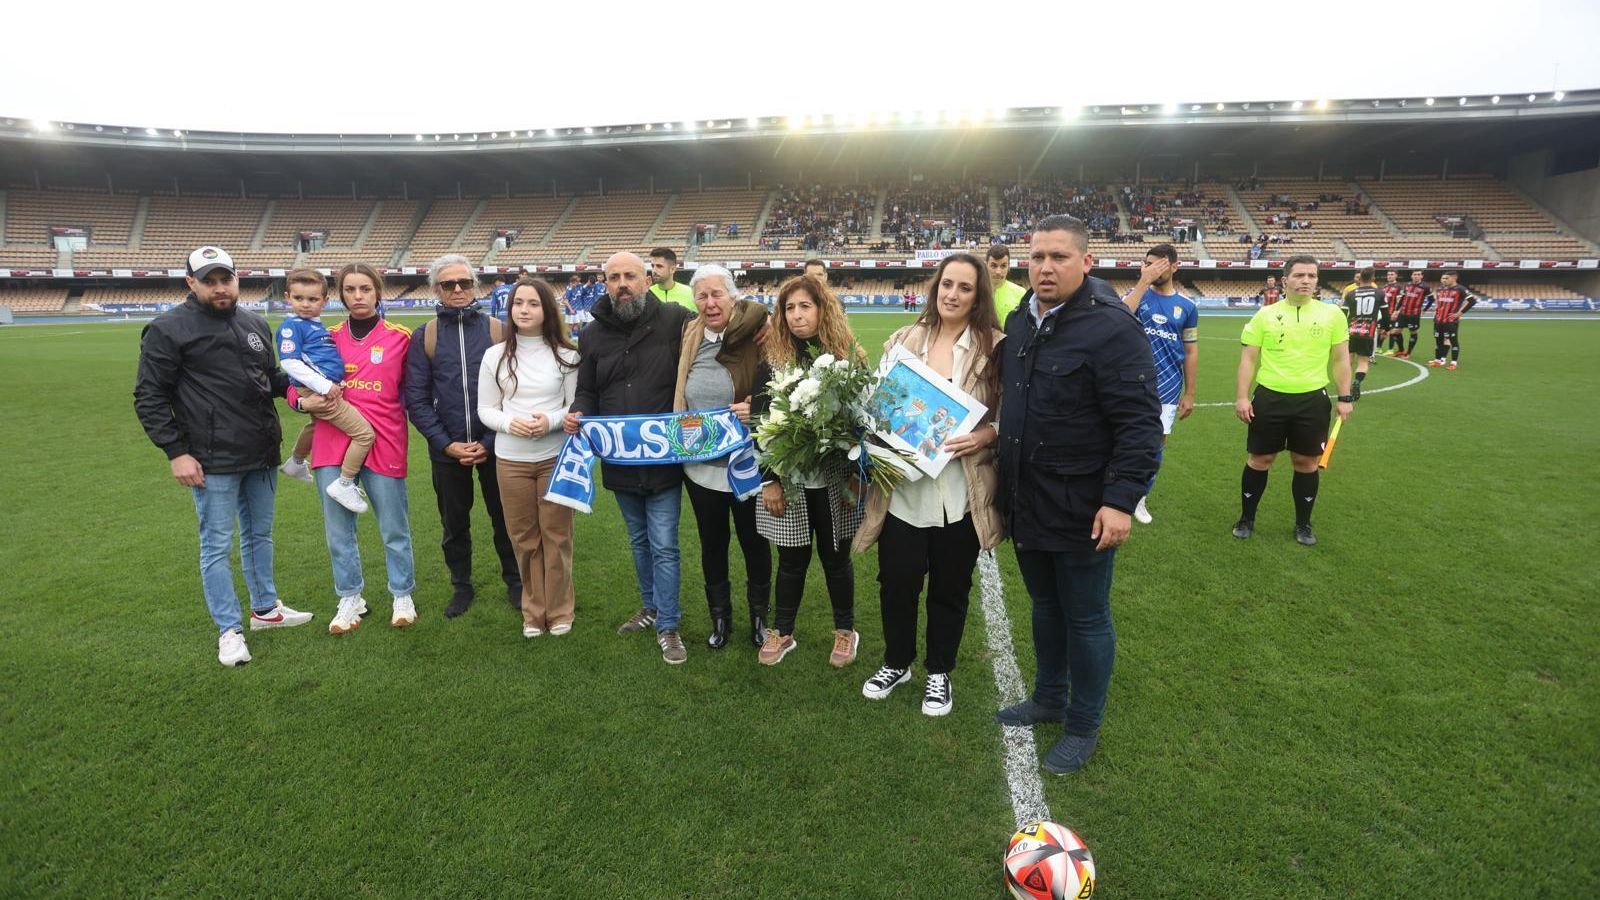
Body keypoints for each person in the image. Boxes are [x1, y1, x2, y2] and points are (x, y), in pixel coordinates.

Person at [993, 215, 1162, 776]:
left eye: (1059, 257)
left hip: (1084, 506)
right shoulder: (1022, 317)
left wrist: (1120, 500)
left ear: (1086, 262)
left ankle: (1083, 725)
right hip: (1026, 497)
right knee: (1045, 606)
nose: (1045, 267)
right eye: (1037, 256)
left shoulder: (1112, 327)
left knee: (1087, 616)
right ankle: (1048, 697)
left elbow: (1138, 425)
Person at [134, 245, 314, 666]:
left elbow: (268, 378)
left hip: (260, 449)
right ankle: (229, 629)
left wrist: (304, 390)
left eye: (225, 279)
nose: (219, 288)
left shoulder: (253, 323)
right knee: (216, 544)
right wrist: (176, 452)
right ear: (190, 283)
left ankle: (266, 610)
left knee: (260, 536)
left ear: (237, 279)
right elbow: (149, 395)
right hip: (210, 458)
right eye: (209, 281)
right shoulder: (167, 329)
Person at [853, 252, 1004, 717]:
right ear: (935, 287)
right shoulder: (904, 339)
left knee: (950, 587)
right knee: (896, 582)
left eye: (964, 288)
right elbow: (878, 407)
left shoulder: (995, 347)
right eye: (946, 285)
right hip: (903, 491)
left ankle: (939, 672)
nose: (952, 295)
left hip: (959, 493)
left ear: (979, 297)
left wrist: (984, 435)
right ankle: (897, 662)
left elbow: (1010, 415)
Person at [564, 252, 697, 664]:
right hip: (619, 460)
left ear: (648, 278)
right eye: (614, 277)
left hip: (662, 459)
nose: (623, 283)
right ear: (604, 282)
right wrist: (579, 412)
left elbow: (722, 320)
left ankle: (669, 625)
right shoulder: (592, 335)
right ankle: (651, 606)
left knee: (664, 545)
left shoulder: (675, 319)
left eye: (631, 276)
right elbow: (587, 388)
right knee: (639, 541)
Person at [754, 274, 867, 669]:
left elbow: (863, 423)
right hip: (791, 481)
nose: (797, 315)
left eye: (806, 306)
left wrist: (858, 471)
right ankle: (783, 631)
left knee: (836, 559)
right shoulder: (772, 362)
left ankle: (845, 630)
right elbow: (758, 423)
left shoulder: (847, 357)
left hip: (835, 480)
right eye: (789, 308)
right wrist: (769, 480)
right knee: (791, 559)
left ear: (823, 309)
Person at [302, 262, 420, 634]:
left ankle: (402, 593)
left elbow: (415, 393)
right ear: (340, 296)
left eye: (365, 289)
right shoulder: (324, 338)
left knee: (393, 527)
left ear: (377, 292)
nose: (358, 297)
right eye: (350, 290)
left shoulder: (401, 338)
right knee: (338, 530)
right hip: (331, 443)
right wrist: (302, 403)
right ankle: (350, 597)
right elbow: (293, 382)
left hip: (383, 442)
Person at [404, 254, 521, 619]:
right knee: (454, 523)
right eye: (448, 284)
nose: (458, 290)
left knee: (505, 518)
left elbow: (513, 393)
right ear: (436, 289)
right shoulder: (426, 335)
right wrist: (446, 444)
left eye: (464, 283)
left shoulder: (498, 330)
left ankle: (516, 581)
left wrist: (487, 442)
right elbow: (417, 399)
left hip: (497, 445)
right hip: (447, 449)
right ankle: (462, 585)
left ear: (475, 286)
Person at [673, 264, 773, 650]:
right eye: (702, 295)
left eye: (717, 294)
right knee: (712, 542)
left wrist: (758, 406)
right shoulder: (690, 333)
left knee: (753, 540)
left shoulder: (760, 331)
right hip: (700, 465)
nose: (710, 303)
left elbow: (782, 383)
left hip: (747, 462)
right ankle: (721, 618)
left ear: (733, 296)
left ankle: (760, 617)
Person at [477, 277, 581, 638]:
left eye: (533, 303)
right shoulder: (495, 355)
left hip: (555, 458)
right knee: (524, 538)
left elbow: (573, 409)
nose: (524, 309)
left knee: (557, 536)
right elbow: (486, 409)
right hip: (510, 461)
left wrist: (549, 421)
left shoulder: (567, 355)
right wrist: (510, 423)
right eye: (518, 303)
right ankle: (533, 611)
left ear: (546, 310)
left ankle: (560, 609)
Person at [1233, 254, 1354, 547]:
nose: (1306, 281)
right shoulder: (1264, 315)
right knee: (1260, 460)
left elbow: (1340, 359)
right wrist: (1242, 397)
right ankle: (1247, 518)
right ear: (1285, 280)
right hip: (1269, 398)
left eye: (1312, 276)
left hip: (1312, 400)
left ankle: (1303, 523)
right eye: (1300, 275)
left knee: (1306, 463)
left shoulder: (1333, 315)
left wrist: (1345, 396)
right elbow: (1249, 359)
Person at [275, 267, 376, 514]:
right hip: (319, 392)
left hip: (323, 388)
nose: (306, 304)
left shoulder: (315, 326)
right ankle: (344, 483)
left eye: (312, 299)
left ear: (324, 301)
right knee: (364, 435)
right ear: (288, 297)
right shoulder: (292, 326)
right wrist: (325, 386)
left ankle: (296, 462)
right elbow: (289, 362)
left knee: (315, 425)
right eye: (299, 299)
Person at [1120, 243, 1198, 526]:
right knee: (1118, 436)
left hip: (1167, 387)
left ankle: (1139, 496)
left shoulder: (1188, 307)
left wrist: (1189, 393)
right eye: (1148, 263)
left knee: (1155, 445)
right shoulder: (1137, 295)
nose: (1153, 268)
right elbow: (1119, 318)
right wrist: (1143, 281)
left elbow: (1190, 351)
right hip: (1128, 382)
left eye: (1160, 264)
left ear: (1175, 267)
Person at [1426, 270, 1479, 370]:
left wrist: (1459, 314)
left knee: (1453, 341)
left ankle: (1453, 363)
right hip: (1438, 320)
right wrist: (1436, 314)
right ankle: (1437, 361)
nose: (1444, 280)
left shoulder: (1460, 289)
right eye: (1443, 278)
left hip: (1450, 321)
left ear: (1454, 278)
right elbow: (1438, 304)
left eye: (1446, 278)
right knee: (1438, 341)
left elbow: (1472, 301)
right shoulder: (1440, 289)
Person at [1342, 267, 1382, 397]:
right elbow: (1385, 314)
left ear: (1359, 278)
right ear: (1372, 278)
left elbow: (1343, 313)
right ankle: (1357, 382)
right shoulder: (1378, 292)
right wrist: (1385, 328)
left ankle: (1345, 386)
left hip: (1351, 330)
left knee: (1348, 359)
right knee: (1363, 362)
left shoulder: (1350, 293)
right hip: (1368, 332)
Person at [1394, 270, 1432, 359]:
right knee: (1395, 331)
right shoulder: (1407, 285)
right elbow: (1403, 298)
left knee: (1413, 332)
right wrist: (1396, 310)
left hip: (1414, 314)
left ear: (1421, 276)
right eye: (1414, 274)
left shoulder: (1425, 287)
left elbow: (1431, 299)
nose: (1416, 276)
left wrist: (1425, 309)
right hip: (1403, 312)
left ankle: (1408, 353)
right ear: (1411, 276)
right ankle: (1401, 350)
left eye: (1418, 274)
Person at [987, 244, 1027, 325]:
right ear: (986, 265)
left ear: (1008, 267)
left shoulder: (1021, 293)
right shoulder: (975, 292)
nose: (998, 272)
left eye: (1003, 266)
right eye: (993, 266)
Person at [1379, 269, 1403, 355]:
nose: (1389, 276)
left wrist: (1396, 312)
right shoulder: (1385, 287)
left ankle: (1390, 349)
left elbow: (1400, 301)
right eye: (1388, 274)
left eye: (1392, 274)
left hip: (1392, 313)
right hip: (1383, 313)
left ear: (1396, 275)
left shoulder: (1398, 287)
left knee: (1392, 331)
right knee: (1382, 330)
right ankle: (1379, 348)